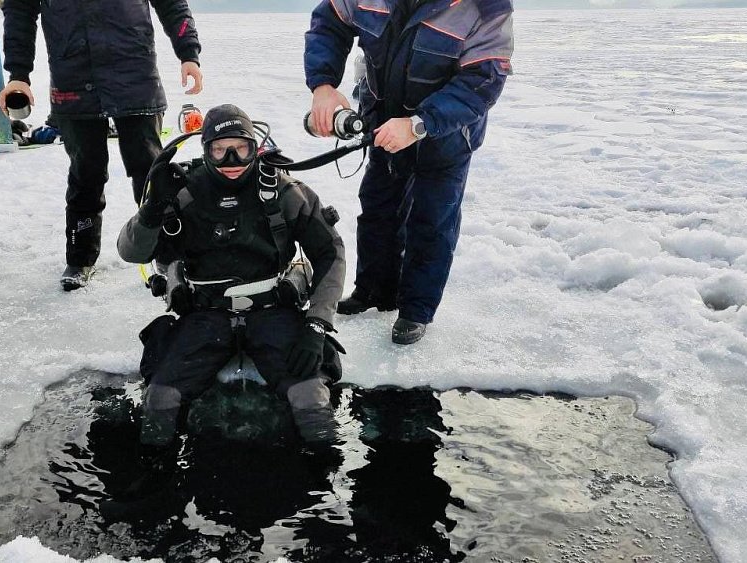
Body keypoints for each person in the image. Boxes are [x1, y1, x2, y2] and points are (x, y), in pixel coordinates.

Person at [117, 104, 347, 447]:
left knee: (310, 397)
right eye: (220, 150)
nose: (232, 161)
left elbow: (330, 251)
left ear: (255, 148)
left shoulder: (281, 189)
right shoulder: (182, 191)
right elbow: (131, 252)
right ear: (206, 149)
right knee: (160, 399)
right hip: (204, 313)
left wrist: (316, 324)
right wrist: (151, 211)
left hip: (273, 310)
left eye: (241, 148)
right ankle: (155, 486)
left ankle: (325, 482)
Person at [304, 0, 514, 344]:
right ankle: (374, 291)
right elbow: (330, 23)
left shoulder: (487, 8)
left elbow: (484, 79)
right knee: (377, 208)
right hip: (383, 123)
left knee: (432, 222)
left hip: (445, 136)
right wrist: (323, 86)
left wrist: (419, 125)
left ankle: (416, 311)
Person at [0, 0, 204, 291]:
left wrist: (188, 54)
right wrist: (18, 75)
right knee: (86, 173)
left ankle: (167, 252)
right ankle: (80, 258)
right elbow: (20, 11)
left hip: (135, 78)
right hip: (73, 82)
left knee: (150, 171)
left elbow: (172, 5)